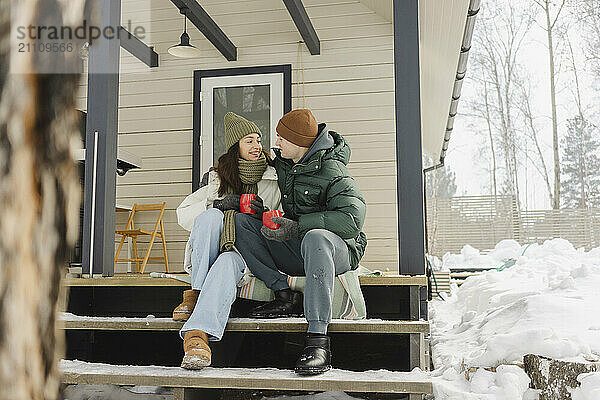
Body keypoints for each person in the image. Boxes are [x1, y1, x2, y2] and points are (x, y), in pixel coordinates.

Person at [234, 109, 367, 375]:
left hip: (338, 250)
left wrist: (298, 227)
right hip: (302, 247)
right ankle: (283, 293)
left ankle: (318, 342)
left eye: (282, 138)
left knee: (316, 236)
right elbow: (249, 164)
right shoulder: (286, 163)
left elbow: (352, 220)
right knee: (243, 222)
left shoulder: (334, 171)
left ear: (300, 143)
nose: (277, 143)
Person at [173, 112, 281, 370]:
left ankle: (197, 336)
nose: (257, 146)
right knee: (209, 216)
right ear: (236, 147)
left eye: (258, 140)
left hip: (246, 251)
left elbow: (281, 219)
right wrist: (218, 204)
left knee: (225, 263)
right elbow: (184, 215)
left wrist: (260, 216)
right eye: (249, 141)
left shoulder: (273, 179)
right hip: (213, 245)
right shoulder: (216, 178)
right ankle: (196, 297)